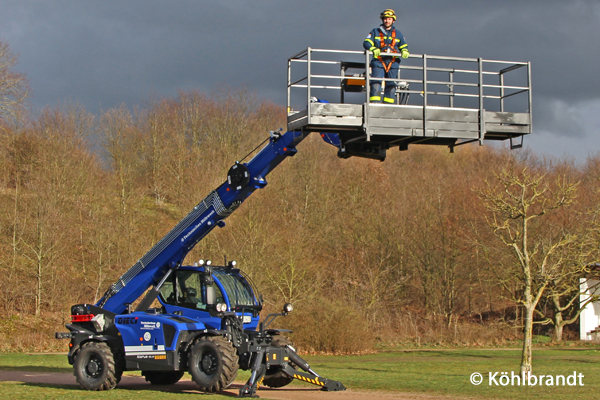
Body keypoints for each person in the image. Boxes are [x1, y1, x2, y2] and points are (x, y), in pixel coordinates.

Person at [363, 9, 409, 104]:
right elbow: (366, 43)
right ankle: (374, 105)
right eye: (385, 19)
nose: (387, 21)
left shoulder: (398, 34)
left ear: (393, 20)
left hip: (393, 62)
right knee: (376, 83)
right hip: (378, 62)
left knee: (391, 85)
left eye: (389, 19)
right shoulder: (375, 32)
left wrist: (404, 50)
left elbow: (403, 45)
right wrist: (373, 49)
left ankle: (388, 106)